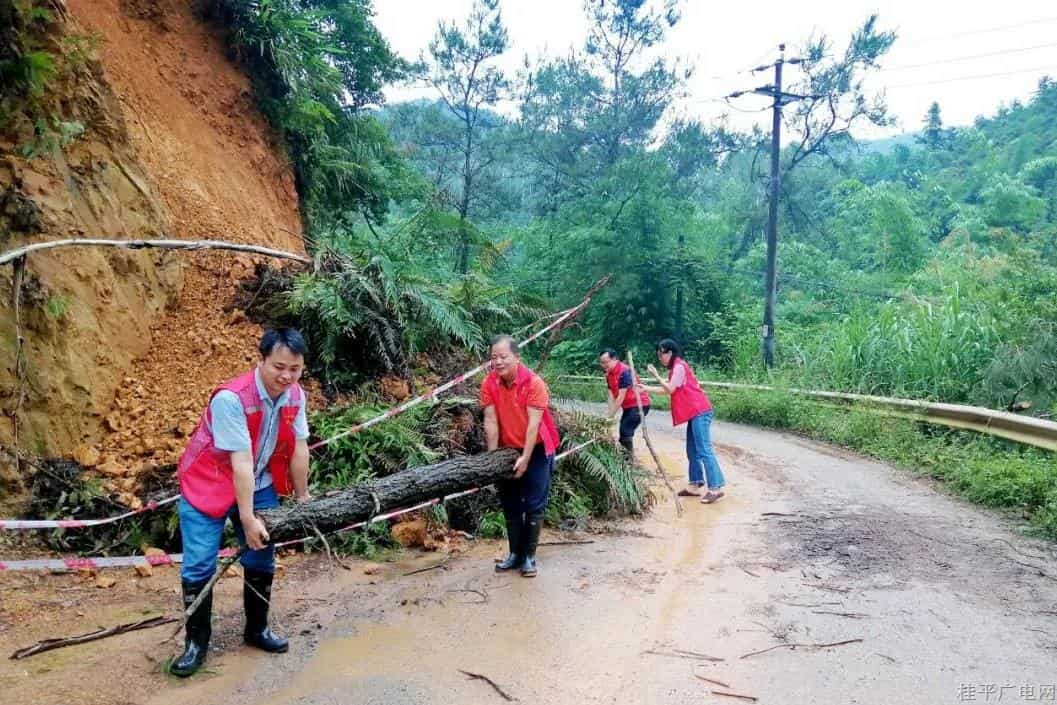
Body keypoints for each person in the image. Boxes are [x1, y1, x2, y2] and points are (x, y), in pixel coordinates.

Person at [171, 327, 312, 677]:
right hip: (209, 484)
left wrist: (304, 497)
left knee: (262, 557)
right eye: (279, 366)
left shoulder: (295, 395)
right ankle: (196, 644)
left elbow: (299, 447)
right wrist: (247, 518)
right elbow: (241, 461)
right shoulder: (231, 399)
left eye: (294, 369)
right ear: (261, 360)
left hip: (258, 480)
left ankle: (257, 629)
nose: (286, 376)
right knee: (199, 564)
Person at [479, 334, 560, 578]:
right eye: (494, 358)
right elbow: (491, 421)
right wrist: (493, 459)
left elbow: (533, 426)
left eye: (503, 357)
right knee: (510, 501)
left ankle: (529, 557)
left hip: (536, 448)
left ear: (517, 357)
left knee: (534, 503)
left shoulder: (534, 383)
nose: (498, 362)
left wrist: (525, 458)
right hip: (507, 448)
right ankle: (515, 553)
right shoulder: (489, 383)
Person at [638, 338, 726, 504]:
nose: (660, 358)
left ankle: (715, 488)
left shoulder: (679, 366)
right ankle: (695, 484)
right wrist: (646, 388)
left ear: (669, 353)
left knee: (704, 449)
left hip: (700, 411)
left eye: (661, 354)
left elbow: (669, 388)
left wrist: (656, 375)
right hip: (694, 413)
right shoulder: (676, 369)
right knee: (692, 450)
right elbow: (669, 390)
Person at [598, 348, 651, 454]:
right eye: (601, 363)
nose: (603, 365)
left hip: (639, 404)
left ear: (614, 359)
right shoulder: (609, 375)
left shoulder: (625, 371)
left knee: (625, 430)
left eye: (605, 362)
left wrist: (610, 417)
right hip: (628, 406)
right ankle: (626, 458)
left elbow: (620, 397)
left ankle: (628, 461)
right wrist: (610, 414)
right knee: (624, 430)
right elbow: (611, 396)